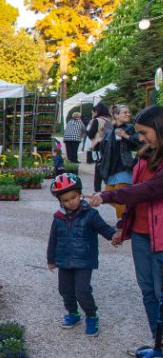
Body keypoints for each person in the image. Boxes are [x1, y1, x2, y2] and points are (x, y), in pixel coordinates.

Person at [87, 105, 163, 344]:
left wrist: (108, 196)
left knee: (161, 293)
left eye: (144, 132)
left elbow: (147, 190)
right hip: (141, 234)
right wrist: (123, 225)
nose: (140, 137)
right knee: (148, 291)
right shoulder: (144, 157)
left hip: (159, 237)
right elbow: (133, 194)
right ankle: (157, 342)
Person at [47, 174, 116, 337]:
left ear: (80, 195)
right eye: (65, 200)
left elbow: (103, 228)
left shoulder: (91, 214)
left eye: (73, 197)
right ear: (60, 202)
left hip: (84, 260)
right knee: (65, 290)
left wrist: (113, 236)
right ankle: (73, 313)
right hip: (64, 261)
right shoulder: (58, 217)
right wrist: (51, 259)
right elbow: (53, 239)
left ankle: (91, 316)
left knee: (82, 290)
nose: (70, 202)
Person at [99, 104, 142, 221]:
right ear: (116, 115)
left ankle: (122, 223)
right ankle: (130, 212)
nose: (128, 114)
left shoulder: (130, 128)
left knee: (121, 196)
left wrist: (126, 136)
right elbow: (102, 146)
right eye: (125, 112)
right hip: (111, 168)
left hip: (125, 166)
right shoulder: (109, 129)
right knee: (108, 195)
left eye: (129, 112)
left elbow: (140, 143)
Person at [86, 103, 111, 191]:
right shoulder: (108, 120)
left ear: (96, 111)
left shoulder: (97, 120)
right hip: (107, 145)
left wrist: (87, 131)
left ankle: (97, 189)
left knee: (98, 167)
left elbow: (91, 134)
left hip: (98, 145)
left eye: (93, 112)